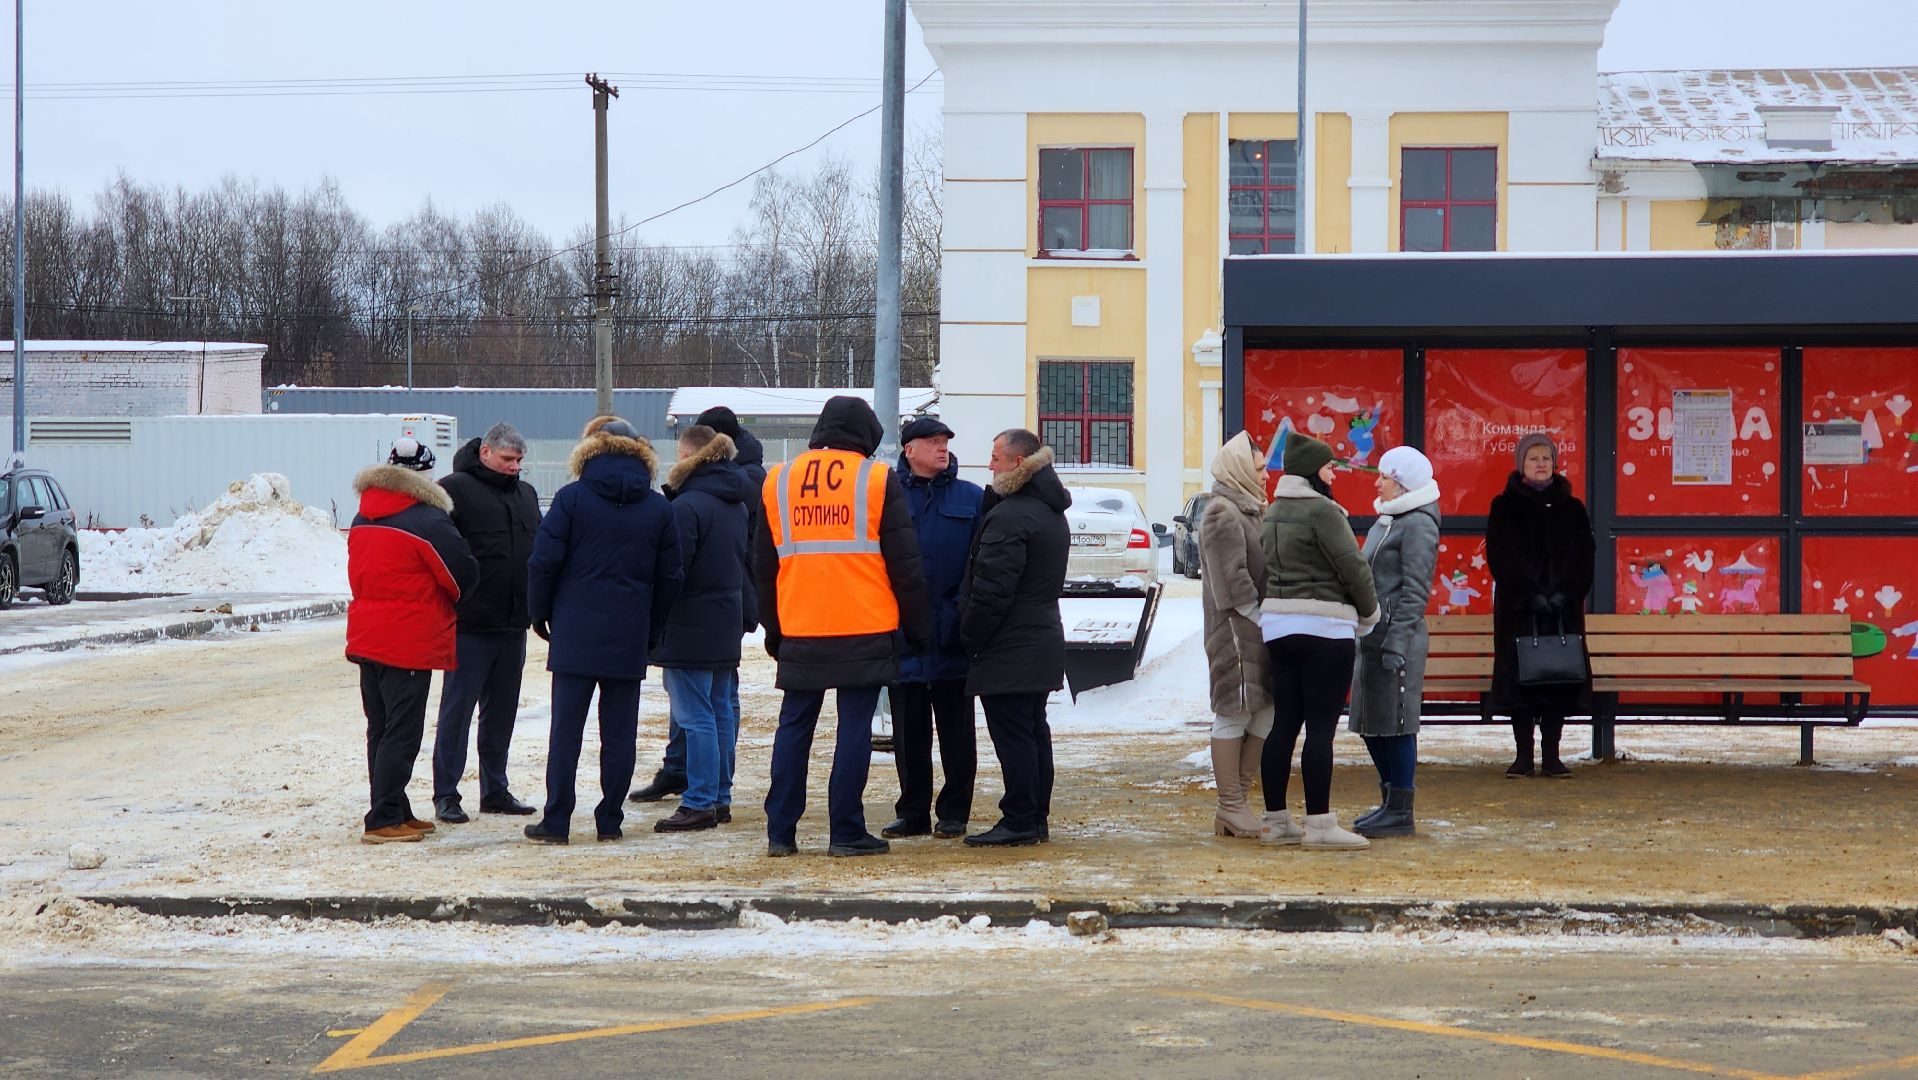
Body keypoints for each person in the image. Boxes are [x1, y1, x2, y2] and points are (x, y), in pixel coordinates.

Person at [756, 396, 931, 857]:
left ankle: (780, 833)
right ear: (865, 437)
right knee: (853, 730)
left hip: (800, 624)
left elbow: (763, 567)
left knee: (794, 727)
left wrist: (774, 629)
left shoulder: (779, 480)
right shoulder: (875, 479)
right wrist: (918, 629)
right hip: (864, 625)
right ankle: (846, 831)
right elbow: (905, 564)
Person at [523, 418, 683, 844]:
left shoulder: (572, 498)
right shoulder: (658, 508)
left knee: (566, 733)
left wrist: (539, 613)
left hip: (574, 631)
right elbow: (671, 576)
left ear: (590, 450)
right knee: (619, 735)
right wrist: (653, 629)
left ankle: (557, 821)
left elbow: (543, 561)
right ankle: (610, 820)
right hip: (629, 633)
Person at [632, 405, 767, 804]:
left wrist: (654, 617)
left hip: (689, 623)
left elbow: (674, 571)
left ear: (690, 456)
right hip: (726, 617)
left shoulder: (687, 506)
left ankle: (701, 799)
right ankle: (718, 795)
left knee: (695, 715)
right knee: (720, 708)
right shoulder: (736, 501)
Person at [344, 437, 477, 844]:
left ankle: (394, 808)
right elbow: (462, 575)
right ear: (425, 477)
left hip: (368, 635)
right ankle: (383, 818)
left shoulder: (363, 516)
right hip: (408, 639)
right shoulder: (428, 521)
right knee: (402, 731)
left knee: (381, 727)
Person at [1258, 432, 1379, 851]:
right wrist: (1370, 614)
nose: (1333, 475)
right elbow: (1354, 568)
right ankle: (1320, 825)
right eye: (1328, 468)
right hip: (1325, 628)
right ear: (1313, 472)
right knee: (1321, 730)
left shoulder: (1273, 511)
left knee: (1283, 725)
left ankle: (1275, 823)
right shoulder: (1324, 512)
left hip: (1278, 628)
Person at [961, 428, 1070, 848]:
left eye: (996, 457)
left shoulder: (1012, 516)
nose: (989, 465)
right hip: (1038, 639)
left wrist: (970, 635)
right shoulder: (1047, 509)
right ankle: (1034, 817)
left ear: (1019, 462)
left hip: (1010, 645)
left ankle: (1020, 818)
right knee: (1033, 731)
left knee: (1015, 737)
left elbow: (991, 591)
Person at [429, 422, 541, 824]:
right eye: (508, 459)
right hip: (469, 625)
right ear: (486, 453)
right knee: (457, 713)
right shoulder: (453, 490)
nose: (514, 467)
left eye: (519, 460)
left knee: (502, 713)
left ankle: (495, 789)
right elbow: (440, 552)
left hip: (513, 624)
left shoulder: (527, 495)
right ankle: (446, 793)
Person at [881, 416, 984, 841]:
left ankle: (954, 812)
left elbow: (981, 562)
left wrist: (963, 611)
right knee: (908, 732)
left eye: (944, 441)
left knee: (957, 731)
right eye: (932, 441)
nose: (942, 448)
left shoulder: (972, 497)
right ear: (910, 450)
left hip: (952, 632)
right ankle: (913, 812)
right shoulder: (886, 497)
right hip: (903, 631)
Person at [1487, 432, 1595, 779]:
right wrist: (1527, 593)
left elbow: (1585, 556)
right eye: (1533, 458)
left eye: (1546, 458)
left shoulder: (1572, 508)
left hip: (1563, 612)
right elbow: (1500, 555)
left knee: (1557, 681)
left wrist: (1567, 593)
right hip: (1519, 611)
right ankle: (1523, 756)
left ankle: (1552, 756)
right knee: (1521, 680)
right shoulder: (1504, 507)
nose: (1540, 464)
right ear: (1521, 464)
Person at [1348, 445, 1441, 838]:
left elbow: (1416, 592)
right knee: (1371, 722)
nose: (1378, 483)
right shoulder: (1387, 519)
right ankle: (1389, 801)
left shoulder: (1418, 524)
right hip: (1373, 638)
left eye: (1384, 477)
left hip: (1395, 640)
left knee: (1398, 723)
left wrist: (1397, 641)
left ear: (1402, 484)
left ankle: (1401, 809)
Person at [1197, 431, 1273, 839]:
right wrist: (1263, 619)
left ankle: (1237, 802)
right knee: (1235, 711)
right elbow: (1232, 581)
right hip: (1235, 633)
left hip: (1254, 630)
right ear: (1240, 469)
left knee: (1264, 711)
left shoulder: (1249, 509)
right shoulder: (1222, 512)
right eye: (1259, 468)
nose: (1266, 475)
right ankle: (1230, 804)